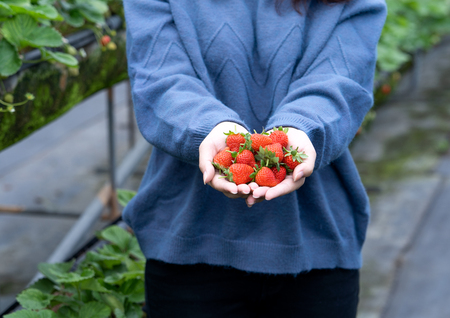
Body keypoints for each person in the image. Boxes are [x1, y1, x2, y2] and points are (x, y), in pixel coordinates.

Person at [123, 0, 386, 316]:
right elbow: (160, 79)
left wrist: (297, 132)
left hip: (315, 245)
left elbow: (341, 83)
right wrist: (213, 128)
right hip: (189, 244)